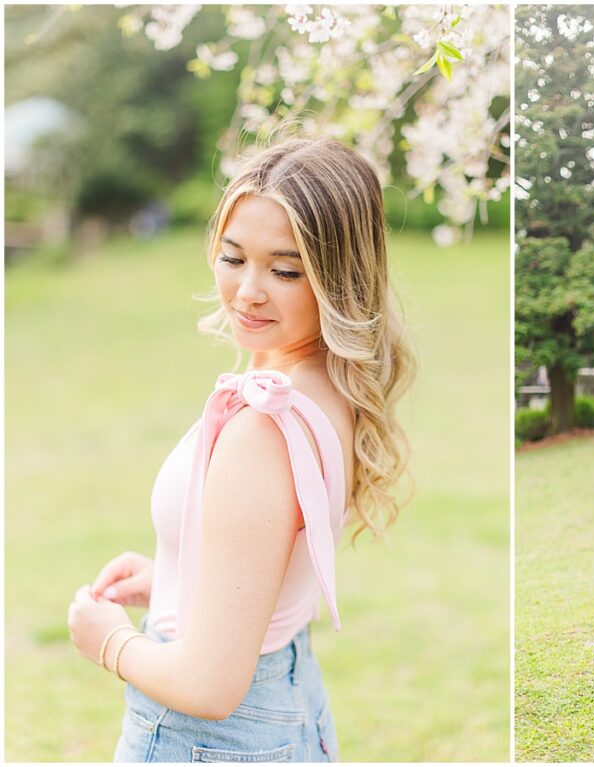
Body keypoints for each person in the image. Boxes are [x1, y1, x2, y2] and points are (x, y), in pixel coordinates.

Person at [67, 137, 413, 762]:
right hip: (288, 701)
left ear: (338, 278)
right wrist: (176, 575)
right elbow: (272, 568)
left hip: (209, 742)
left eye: (285, 270)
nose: (249, 291)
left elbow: (209, 686)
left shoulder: (264, 428)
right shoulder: (330, 389)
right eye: (233, 258)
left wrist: (109, 642)